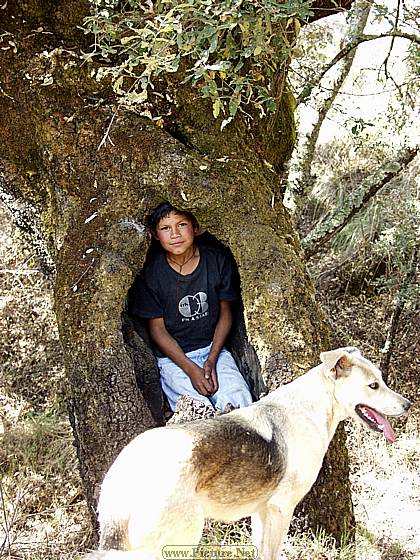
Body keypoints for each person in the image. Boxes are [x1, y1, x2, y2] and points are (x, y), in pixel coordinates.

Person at [130, 201, 253, 412]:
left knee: (239, 402)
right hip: (173, 360)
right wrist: (191, 369)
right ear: (155, 235)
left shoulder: (216, 261)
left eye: (182, 225)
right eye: (165, 228)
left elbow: (226, 312)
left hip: (214, 349)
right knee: (197, 411)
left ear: (195, 227)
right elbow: (157, 329)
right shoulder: (151, 274)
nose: (175, 234)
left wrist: (212, 359)